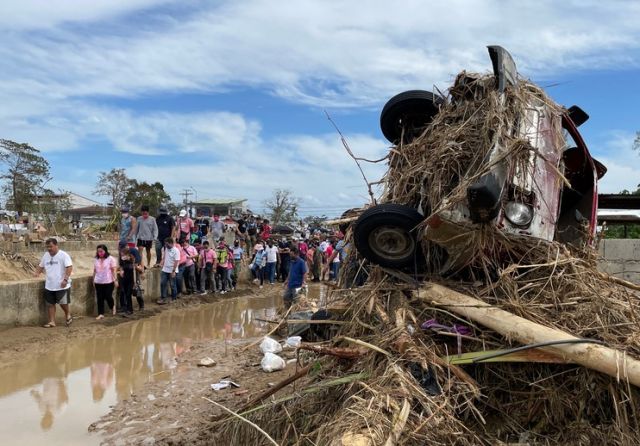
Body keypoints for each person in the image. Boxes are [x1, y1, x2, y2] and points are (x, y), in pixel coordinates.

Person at [34, 238, 73, 328]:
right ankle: (52, 321)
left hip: (62, 285)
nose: (49, 249)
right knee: (50, 304)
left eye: (51, 246)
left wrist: (65, 280)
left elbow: (69, 267)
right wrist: (37, 273)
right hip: (49, 285)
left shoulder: (63, 255)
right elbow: (41, 266)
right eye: (47, 247)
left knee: (63, 303)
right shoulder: (46, 255)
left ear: (56, 245)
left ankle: (67, 314)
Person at [92, 244, 117, 320]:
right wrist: (93, 280)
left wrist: (115, 280)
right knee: (100, 298)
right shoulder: (96, 259)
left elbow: (114, 270)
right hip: (98, 281)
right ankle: (101, 313)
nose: (100, 253)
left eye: (101, 251)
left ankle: (112, 306)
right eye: (98, 252)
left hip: (108, 281)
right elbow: (95, 270)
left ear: (105, 251)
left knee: (108, 296)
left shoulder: (110, 259)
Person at [117, 242, 143, 316]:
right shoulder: (120, 253)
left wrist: (141, 272)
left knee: (136, 290)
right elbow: (121, 264)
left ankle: (141, 304)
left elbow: (138, 263)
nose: (121, 251)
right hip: (125, 275)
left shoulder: (133, 251)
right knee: (126, 293)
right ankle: (129, 309)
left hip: (133, 274)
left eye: (122, 249)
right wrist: (121, 270)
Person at [158, 237, 180, 304]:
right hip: (165, 269)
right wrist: (161, 263)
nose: (166, 245)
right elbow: (164, 257)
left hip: (172, 270)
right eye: (165, 244)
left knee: (172, 285)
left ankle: (174, 298)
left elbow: (176, 261)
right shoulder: (166, 249)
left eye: (167, 244)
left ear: (171, 243)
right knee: (162, 283)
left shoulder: (176, 251)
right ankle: (163, 298)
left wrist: (173, 271)